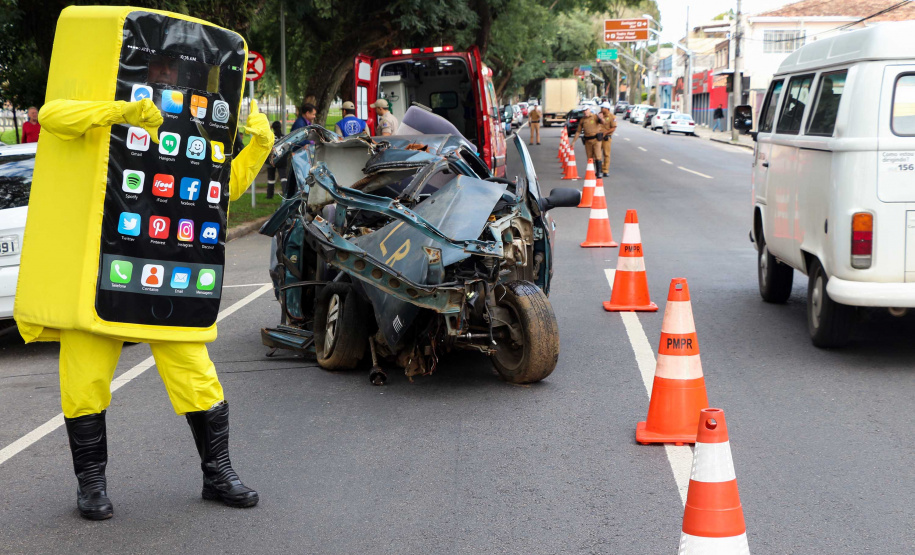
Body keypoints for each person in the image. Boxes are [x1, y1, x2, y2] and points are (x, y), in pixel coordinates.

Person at [572, 106, 603, 177]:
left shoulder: (595, 117)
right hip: (587, 140)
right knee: (589, 157)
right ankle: (591, 172)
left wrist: (601, 118)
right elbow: (578, 131)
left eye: (586, 110)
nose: (585, 112)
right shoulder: (582, 120)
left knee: (598, 156)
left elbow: (602, 122)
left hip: (596, 140)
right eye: (583, 111)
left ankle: (599, 172)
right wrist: (573, 142)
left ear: (589, 110)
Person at [266, 120, 287, 198]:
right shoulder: (284, 137)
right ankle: (285, 193)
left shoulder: (271, 137)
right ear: (280, 127)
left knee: (271, 178)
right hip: (282, 159)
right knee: (283, 178)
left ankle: (269, 195)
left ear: (272, 128)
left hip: (272, 159)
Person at [597, 102, 617, 177]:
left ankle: (605, 170)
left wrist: (605, 133)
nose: (601, 109)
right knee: (597, 154)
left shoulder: (612, 117)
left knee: (606, 154)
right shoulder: (599, 115)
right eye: (601, 108)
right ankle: (599, 169)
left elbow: (613, 128)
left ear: (607, 108)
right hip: (598, 137)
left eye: (602, 108)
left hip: (606, 138)